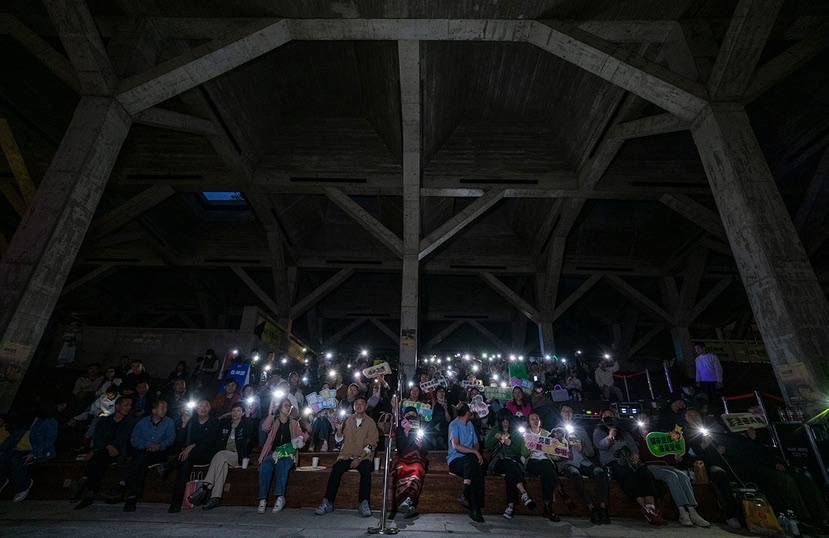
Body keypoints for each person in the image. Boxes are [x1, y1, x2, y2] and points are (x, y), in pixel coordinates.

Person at [635, 416, 710, 527]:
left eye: (646, 419)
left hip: (666, 465)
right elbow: (642, 457)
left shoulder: (659, 436)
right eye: (642, 420)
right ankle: (682, 513)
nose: (644, 422)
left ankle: (693, 512)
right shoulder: (637, 439)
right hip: (650, 467)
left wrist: (676, 458)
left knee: (683, 476)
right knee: (672, 476)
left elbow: (668, 455)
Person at [593, 408, 663, 525]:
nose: (609, 417)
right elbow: (601, 445)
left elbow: (632, 445)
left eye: (611, 415)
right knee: (626, 475)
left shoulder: (622, 431)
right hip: (613, 461)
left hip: (629, 459)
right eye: (606, 415)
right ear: (602, 418)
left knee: (644, 472)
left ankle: (651, 506)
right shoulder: (598, 431)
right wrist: (609, 437)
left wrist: (635, 455)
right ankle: (644, 507)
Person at [315, 395, 378, 517]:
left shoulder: (370, 423)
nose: (359, 406)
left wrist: (359, 459)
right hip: (346, 455)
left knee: (366, 471)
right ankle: (328, 501)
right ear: (354, 407)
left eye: (361, 403)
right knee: (336, 469)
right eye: (356, 404)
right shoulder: (348, 420)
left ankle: (364, 503)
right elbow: (339, 440)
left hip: (363, 457)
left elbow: (372, 444)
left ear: (365, 406)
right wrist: (338, 430)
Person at [682, 408, 743, 530]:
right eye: (690, 415)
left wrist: (722, 448)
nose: (694, 416)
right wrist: (704, 445)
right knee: (719, 474)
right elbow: (691, 453)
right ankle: (730, 515)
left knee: (738, 471)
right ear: (686, 418)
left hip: (721, 461)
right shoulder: (685, 433)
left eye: (695, 414)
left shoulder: (710, 427)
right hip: (702, 466)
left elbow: (724, 442)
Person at [74, 396, 135, 509]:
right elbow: (98, 438)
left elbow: (124, 438)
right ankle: (90, 491)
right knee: (100, 457)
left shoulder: (130, 422)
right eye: (126, 405)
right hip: (104, 450)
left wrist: (112, 447)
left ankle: (86, 481)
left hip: (119, 452)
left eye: (130, 405)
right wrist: (107, 446)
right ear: (117, 406)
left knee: (98, 457)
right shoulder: (105, 420)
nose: (128, 407)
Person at [556, 404, 610, 524]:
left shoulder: (580, 430)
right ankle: (591, 508)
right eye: (565, 411)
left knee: (600, 472)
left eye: (570, 411)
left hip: (583, 461)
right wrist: (566, 447)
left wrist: (582, 448)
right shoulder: (556, 431)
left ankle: (603, 508)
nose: (567, 414)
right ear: (560, 414)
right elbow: (554, 455)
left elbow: (591, 452)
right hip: (567, 463)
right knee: (575, 475)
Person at [124, 399, 176, 511]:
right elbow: (134, 439)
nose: (165, 410)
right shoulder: (142, 422)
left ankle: (125, 485)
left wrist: (159, 446)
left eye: (166, 408)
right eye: (162, 407)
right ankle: (133, 496)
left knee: (139, 461)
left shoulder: (169, 422)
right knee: (140, 461)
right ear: (154, 410)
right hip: (144, 451)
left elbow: (171, 438)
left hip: (160, 452)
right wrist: (147, 444)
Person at [0, 401, 58, 502]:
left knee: (16, 460)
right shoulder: (26, 421)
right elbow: (12, 438)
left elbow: (48, 441)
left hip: (41, 452)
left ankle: (23, 487)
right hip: (21, 449)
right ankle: (2, 480)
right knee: (2, 456)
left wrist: (35, 454)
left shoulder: (50, 422)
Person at [200, 402, 253, 510]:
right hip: (223, 457)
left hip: (238, 456)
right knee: (222, 465)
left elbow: (250, 434)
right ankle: (215, 498)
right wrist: (223, 416)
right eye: (234, 410)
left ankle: (206, 486)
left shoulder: (245, 425)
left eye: (238, 411)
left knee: (221, 455)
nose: (235, 413)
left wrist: (248, 418)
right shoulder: (225, 423)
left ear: (243, 413)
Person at [169, 399, 219, 513]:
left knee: (189, 454)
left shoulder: (214, 421)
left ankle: (169, 465)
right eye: (201, 406)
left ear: (210, 409)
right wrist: (184, 424)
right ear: (196, 409)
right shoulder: (191, 421)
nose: (203, 408)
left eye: (206, 405)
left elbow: (209, 441)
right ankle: (175, 504)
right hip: (190, 456)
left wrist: (191, 447)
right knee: (184, 465)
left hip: (206, 455)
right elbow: (180, 441)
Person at [258, 398, 307, 513]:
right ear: (280, 407)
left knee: (282, 463)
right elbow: (264, 428)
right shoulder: (274, 421)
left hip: (287, 454)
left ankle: (280, 497)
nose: (288, 408)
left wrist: (304, 435)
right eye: (285, 405)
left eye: (289, 406)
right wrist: (271, 414)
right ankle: (263, 499)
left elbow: (301, 440)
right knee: (265, 465)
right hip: (273, 453)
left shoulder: (294, 423)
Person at [485, 410, 536, 519]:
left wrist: (510, 444)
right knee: (510, 466)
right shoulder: (495, 430)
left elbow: (518, 450)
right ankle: (524, 493)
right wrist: (496, 438)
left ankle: (511, 506)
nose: (505, 423)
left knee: (510, 472)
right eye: (503, 421)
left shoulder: (515, 433)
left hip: (513, 461)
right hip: (498, 462)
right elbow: (487, 446)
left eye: (507, 420)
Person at [447, 402, 485, 523]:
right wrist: (474, 452)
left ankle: (466, 491)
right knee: (473, 464)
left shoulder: (470, 425)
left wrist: (474, 451)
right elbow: (456, 445)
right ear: (467, 413)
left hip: (470, 460)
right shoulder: (454, 424)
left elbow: (476, 443)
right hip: (456, 460)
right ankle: (476, 509)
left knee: (473, 465)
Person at [394, 406, 429, 518]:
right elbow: (400, 447)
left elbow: (425, 450)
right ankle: (407, 502)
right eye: (408, 414)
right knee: (401, 468)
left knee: (417, 469)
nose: (411, 416)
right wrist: (406, 432)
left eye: (413, 415)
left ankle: (408, 500)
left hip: (417, 458)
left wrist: (420, 445)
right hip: (403, 457)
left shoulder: (420, 428)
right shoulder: (400, 428)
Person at [524, 413, 559, 521]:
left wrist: (554, 447)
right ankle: (548, 505)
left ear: (540, 421)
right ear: (529, 422)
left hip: (546, 461)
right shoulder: (526, 434)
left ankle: (547, 506)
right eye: (532, 419)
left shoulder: (547, 434)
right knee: (547, 468)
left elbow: (555, 457)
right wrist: (528, 448)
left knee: (547, 468)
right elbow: (523, 453)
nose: (535, 421)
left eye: (537, 419)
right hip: (532, 461)